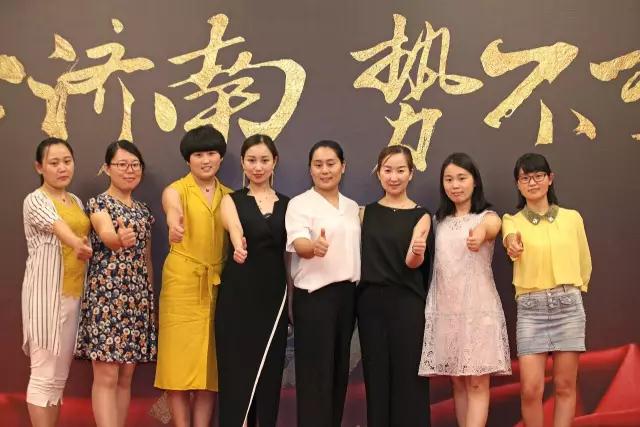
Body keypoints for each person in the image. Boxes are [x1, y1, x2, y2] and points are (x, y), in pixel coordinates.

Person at [419, 153, 511, 427]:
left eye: (461, 178)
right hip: (447, 312)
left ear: (475, 182)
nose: (455, 185)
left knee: (477, 383)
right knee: (457, 382)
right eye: (449, 179)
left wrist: (480, 233)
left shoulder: (486, 216)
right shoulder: (438, 221)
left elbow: (492, 227)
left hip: (478, 311)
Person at [502, 153, 591, 427]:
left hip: (568, 306)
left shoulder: (572, 218)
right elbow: (510, 240)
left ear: (550, 179)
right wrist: (512, 245)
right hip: (531, 309)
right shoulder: (512, 220)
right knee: (531, 390)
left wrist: (575, 289)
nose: (532, 182)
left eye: (538, 176)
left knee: (565, 386)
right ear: (518, 184)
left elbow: (584, 261)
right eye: (525, 178)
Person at [154, 125, 231, 427]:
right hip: (182, 284)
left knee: (209, 367)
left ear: (221, 157)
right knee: (177, 365)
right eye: (198, 155)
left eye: (211, 153)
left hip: (218, 286)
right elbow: (172, 208)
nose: (205, 160)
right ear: (188, 160)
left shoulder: (230, 196)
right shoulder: (176, 189)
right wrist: (174, 224)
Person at [75, 140, 156, 427]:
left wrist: (150, 301)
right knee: (107, 375)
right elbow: (106, 234)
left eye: (135, 165)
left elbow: (146, 259)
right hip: (106, 297)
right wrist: (119, 239)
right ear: (107, 168)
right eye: (122, 164)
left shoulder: (144, 211)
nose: (129, 170)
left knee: (126, 375)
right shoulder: (99, 204)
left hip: (137, 298)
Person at [285, 140, 360, 427]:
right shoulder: (300, 204)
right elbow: (299, 244)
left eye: (331, 164)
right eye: (318, 165)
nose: (325, 170)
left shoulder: (351, 207)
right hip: (315, 298)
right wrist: (312, 247)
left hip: (347, 297)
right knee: (315, 376)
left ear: (343, 167)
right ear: (310, 170)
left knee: (338, 373)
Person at [216, 134, 289, 427]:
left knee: (269, 374)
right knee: (237, 372)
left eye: (264, 160)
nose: (258, 167)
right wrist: (239, 245)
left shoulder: (289, 204)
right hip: (238, 295)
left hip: (274, 297)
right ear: (243, 164)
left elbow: (291, 253)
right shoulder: (231, 200)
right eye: (251, 160)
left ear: (275, 162)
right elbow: (233, 226)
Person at [358, 145, 431, 427]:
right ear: (378, 173)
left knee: (409, 378)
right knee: (376, 378)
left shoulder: (421, 215)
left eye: (400, 170)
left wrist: (416, 252)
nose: (394, 177)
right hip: (370, 306)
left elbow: (414, 262)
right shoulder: (364, 214)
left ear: (411, 173)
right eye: (387, 170)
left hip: (408, 304)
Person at [21, 137, 92, 427]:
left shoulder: (75, 201)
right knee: (43, 375)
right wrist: (76, 243)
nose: (62, 168)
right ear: (39, 167)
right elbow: (56, 225)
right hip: (46, 296)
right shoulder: (35, 199)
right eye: (54, 163)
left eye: (67, 161)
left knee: (58, 377)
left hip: (73, 294)